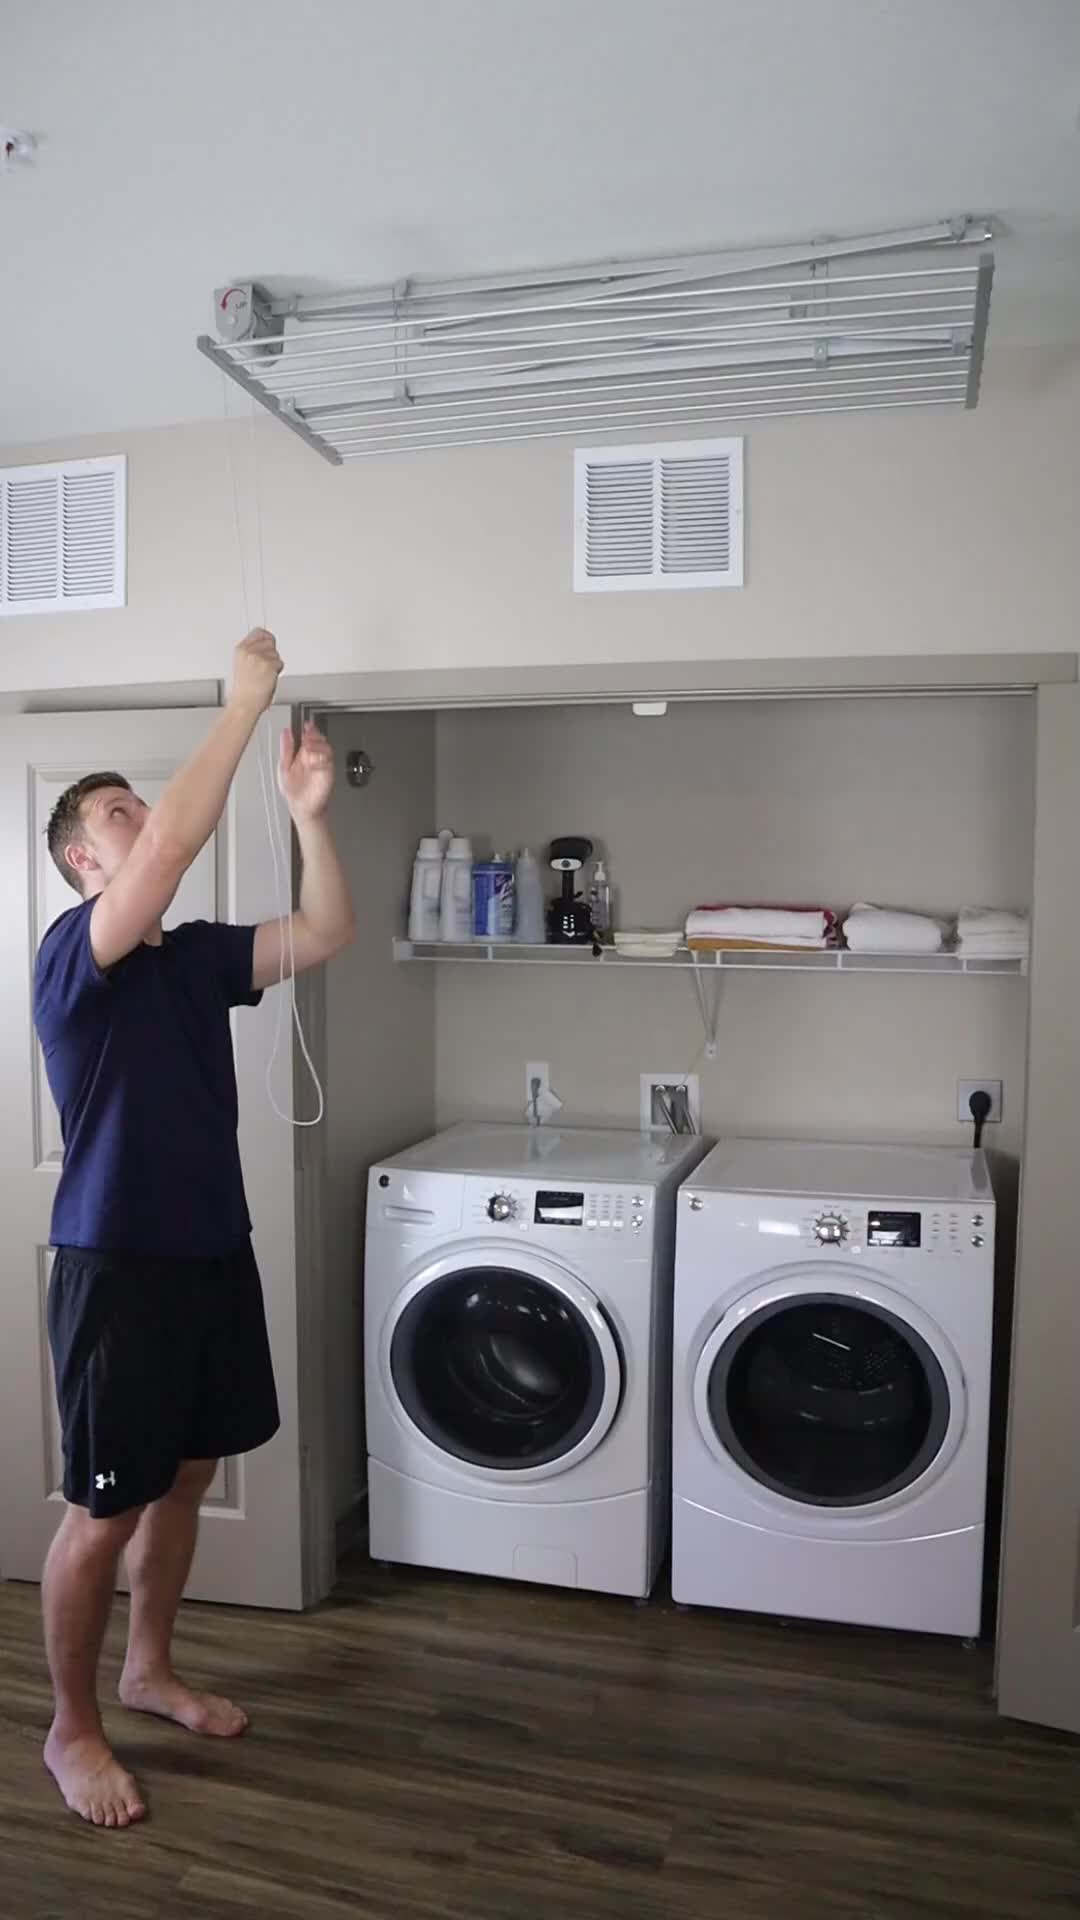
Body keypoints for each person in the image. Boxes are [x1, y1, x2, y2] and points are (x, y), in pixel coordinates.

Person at [32, 628, 354, 1829]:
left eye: (137, 806)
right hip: (119, 1270)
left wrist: (308, 813)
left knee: (188, 1475)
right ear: (82, 858)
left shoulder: (194, 960)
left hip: (215, 1253)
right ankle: (71, 1731)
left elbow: (323, 934)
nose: (145, 817)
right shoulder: (79, 957)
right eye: (119, 812)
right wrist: (239, 708)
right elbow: (170, 849)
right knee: (102, 1507)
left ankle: (147, 1668)